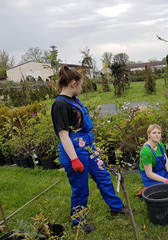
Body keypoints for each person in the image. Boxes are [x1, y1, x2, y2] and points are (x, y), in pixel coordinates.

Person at [51, 65, 133, 233]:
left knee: (103, 176)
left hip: (87, 147)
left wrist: (92, 147)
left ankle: (116, 207)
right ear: (73, 83)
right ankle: (78, 222)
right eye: (80, 85)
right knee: (81, 189)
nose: (81, 88)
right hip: (74, 150)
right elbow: (64, 136)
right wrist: (74, 159)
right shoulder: (60, 104)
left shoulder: (73, 100)